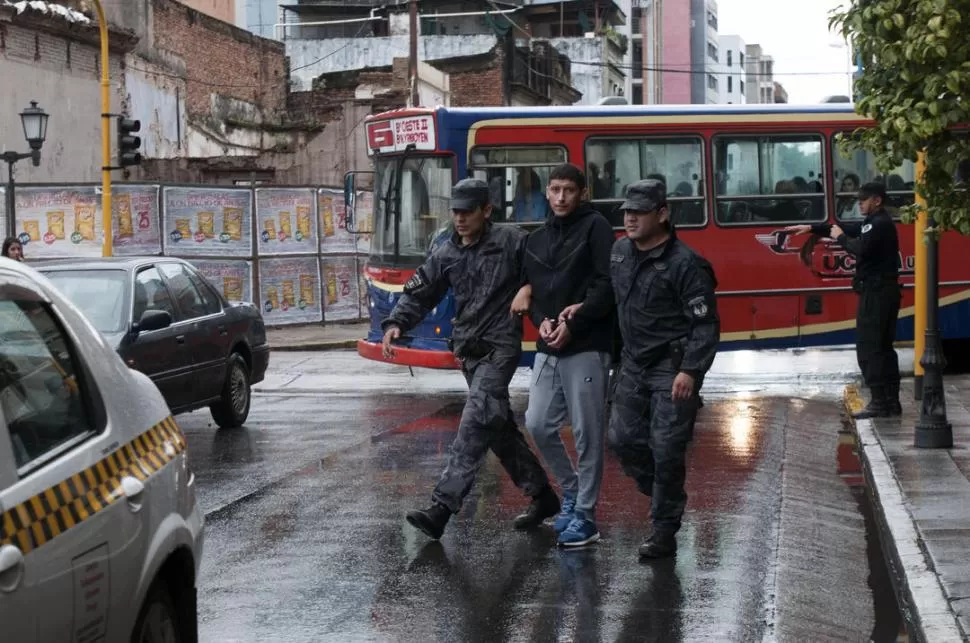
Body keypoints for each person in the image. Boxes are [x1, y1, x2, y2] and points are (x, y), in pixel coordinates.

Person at [381, 178, 557, 540]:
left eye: (467, 212)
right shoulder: (446, 252)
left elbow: (544, 272)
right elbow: (421, 289)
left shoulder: (512, 241)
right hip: (468, 351)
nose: (460, 219)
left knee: (475, 421)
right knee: (497, 428)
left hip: (499, 347)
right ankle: (542, 496)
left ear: (486, 211)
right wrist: (397, 322)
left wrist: (527, 288)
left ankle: (441, 508)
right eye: (455, 212)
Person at [565, 178, 719, 559]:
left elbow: (705, 325)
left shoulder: (686, 264)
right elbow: (609, 300)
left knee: (666, 448)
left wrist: (691, 371)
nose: (630, 220)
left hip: (671, 367)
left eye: (639, 213)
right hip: (632, 365)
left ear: (662, 214)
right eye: (627, 213)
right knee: (621, 441)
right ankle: (667, 494)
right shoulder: (620, 253)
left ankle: (664, 530)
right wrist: (579, 311)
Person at [509, 163, 615, 547]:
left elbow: (607, 285)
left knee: (588, 433)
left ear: (582, 193)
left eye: (569, 190)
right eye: (554, 189)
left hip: (587, 344)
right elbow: (532, 293)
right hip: (547, 347)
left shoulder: (597, 229)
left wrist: (576, 322)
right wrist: (541, 322)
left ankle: (586, 517)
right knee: (537, 423)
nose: (561, 197)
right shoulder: (535, 240)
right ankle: (571, 491)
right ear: (546, 192)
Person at [783, 181, 901, 418]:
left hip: (876, 293)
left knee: (871, 348)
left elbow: (860, 248)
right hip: (881, 291)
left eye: (864, 200)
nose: (860, 204)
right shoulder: (876, 223)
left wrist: (839, 239)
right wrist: (812, 228)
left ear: (877, 200)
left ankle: (880, 402)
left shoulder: (879, 224)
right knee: (883, 348)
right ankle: (890, 401)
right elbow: (847, 228)